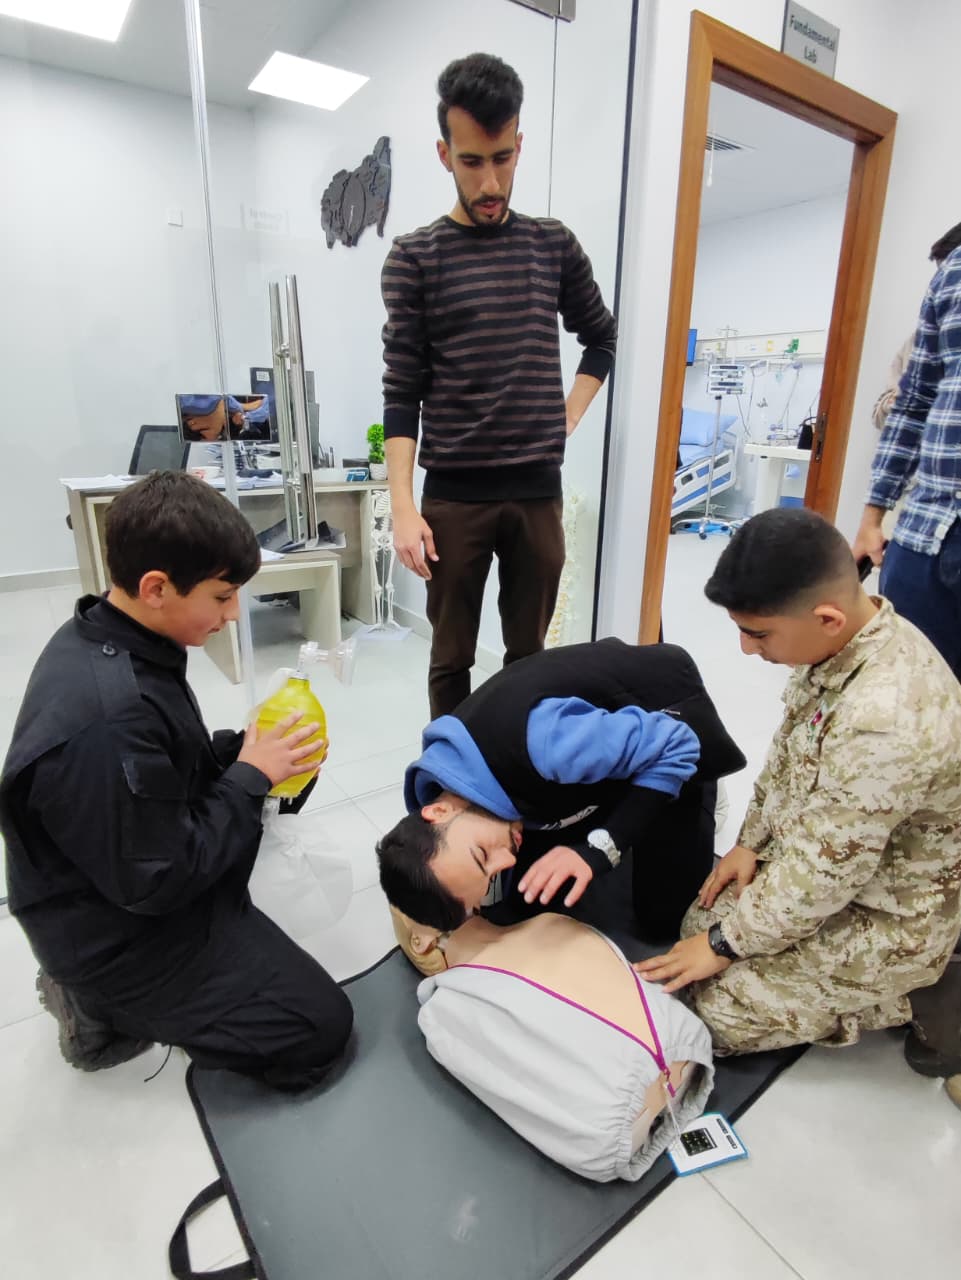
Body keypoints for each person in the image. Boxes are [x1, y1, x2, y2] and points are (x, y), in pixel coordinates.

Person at [0, 472, 352, 1090]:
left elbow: (164, 773)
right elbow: (158, 879)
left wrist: (244, 752)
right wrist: (248, 775)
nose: (232, 613)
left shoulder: (114, 636)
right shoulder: (106, 720)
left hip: (132, 865)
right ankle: (95, 1006)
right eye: (222, 597)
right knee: (318, 1029)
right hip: (120, 933)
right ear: (156, 588)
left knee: (287, 769)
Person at [636, 509, 961, 1078]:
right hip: (828, 862)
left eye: (758, 633)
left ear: (827, 618)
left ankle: (922, 992)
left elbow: (825, 874)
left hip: (887, 913)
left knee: (714, 1016)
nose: (745, 648)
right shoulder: (842, 644)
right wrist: (749, 843)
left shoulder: (885, 721)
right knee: (695, 926)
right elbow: (788, 753)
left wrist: (727, 945)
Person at [381, 52, 618, 718]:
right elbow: (401, 392)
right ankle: (450, 775)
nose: (490, 183)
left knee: (529, 659)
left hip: (537, 494)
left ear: (519, 145)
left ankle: (517, 767)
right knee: (450, 657)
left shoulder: (552, 245)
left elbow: (601, 338)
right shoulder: (415, 258)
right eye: (471, 162)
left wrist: (567, 416)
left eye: (503, 158)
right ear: (444, 154)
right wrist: (403, 506)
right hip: (453, 500)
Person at [377, 637, 746, 939]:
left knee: (662, 923)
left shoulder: (547, 742)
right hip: (583, 759)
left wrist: (603, 847)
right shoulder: (439, 797)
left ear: (439, 811)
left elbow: (680, 742)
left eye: (482, 855)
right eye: (489, 874)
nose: (505, 861)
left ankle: (699, 793)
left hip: (669, 724)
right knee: (527, 904)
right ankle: (615, 768)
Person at [852, 220, 961, 1104]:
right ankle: (897, 957)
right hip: (927, 539)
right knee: (908, 750)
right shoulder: (953, 267)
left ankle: (946, 990)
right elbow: (916, 394)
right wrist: (872, 513)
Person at [389, 905, 715, 1183]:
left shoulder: (545, 924)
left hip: (626, 1103)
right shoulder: (447, 1009)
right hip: (667, 1061)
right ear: (420, 941)